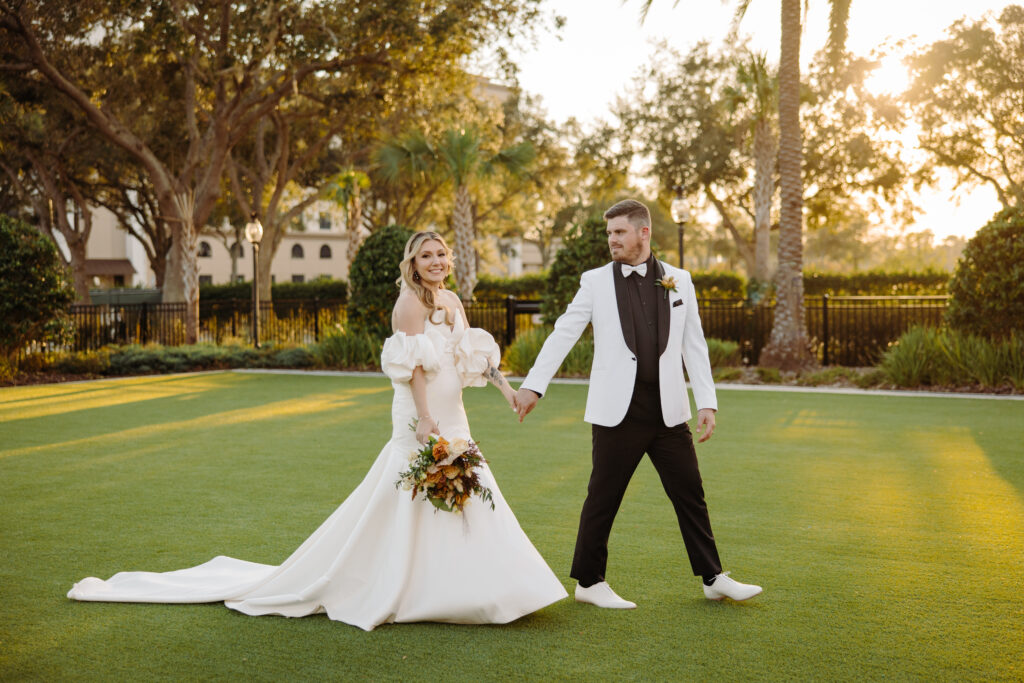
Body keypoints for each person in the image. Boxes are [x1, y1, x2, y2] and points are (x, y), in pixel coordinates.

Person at [68, 231, 567, 630]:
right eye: (426, 255)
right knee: (409, 493)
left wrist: (510, 394)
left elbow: (471, 357)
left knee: (470, 492)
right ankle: (400, 584)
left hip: (456, 411)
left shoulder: (453, 300)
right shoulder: (410, 305)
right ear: (412, 264)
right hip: (422, 413)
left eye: (440, 254)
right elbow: (413, 368)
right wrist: (424, 420)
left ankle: (485, 587)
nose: (435, 261)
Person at [514, 199, 761, 608]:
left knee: (690, 493)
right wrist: (533, 386)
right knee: (603, 496)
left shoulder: (680, 279)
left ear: (643, 233)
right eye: (609, 233)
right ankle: (589, 583)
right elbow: (564, 333)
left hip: (668, 410)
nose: (612, 240)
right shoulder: (595, 281)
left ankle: (713, 577)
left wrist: (707, 401)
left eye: (619, 232)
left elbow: (693, 344)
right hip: (618, 411)